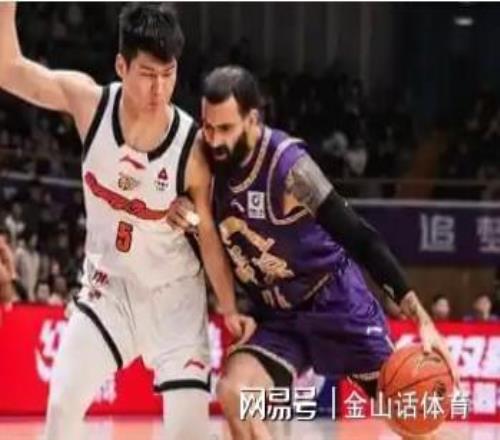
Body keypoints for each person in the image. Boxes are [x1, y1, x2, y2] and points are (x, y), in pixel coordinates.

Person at [0, 5, 254, 440]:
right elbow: (9, 70)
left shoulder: (192, 147)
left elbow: (208, 233)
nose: (160, 88)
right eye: (148, 74)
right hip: (108, 293)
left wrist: (229, 308)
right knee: (60, 409)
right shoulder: (90, 105)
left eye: (168, 74)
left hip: (175, 303)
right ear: (121, 66)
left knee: (188, 436)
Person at [167, 66, 457, 440]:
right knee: (235, 395)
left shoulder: (290, 170)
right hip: (277, 316)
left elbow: (360, 238)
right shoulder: (199, 159)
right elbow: (203, 233)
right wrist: (178, 212)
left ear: (252, 119)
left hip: (334, 302)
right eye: (208, 127)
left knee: (410, 414)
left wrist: (422, 320)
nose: (215, 139)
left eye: (226, 128)